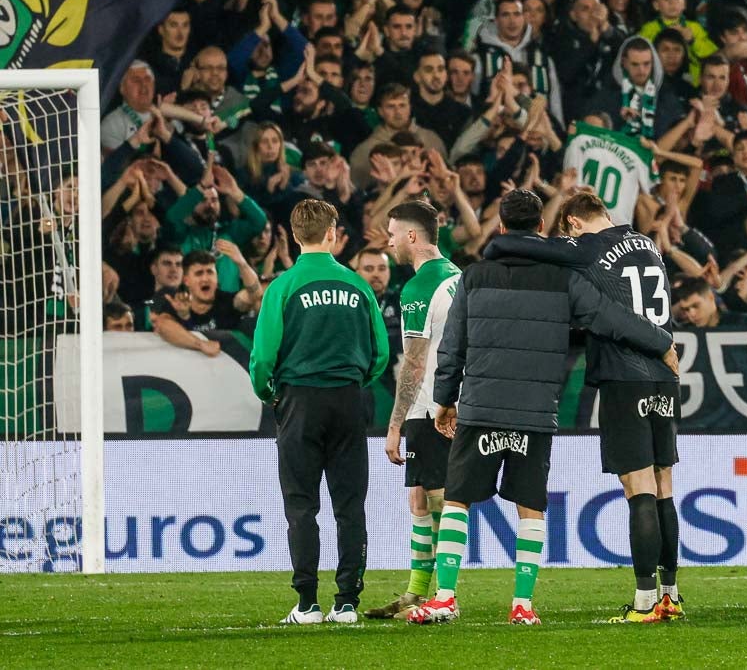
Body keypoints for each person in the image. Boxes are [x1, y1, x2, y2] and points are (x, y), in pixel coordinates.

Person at [413, 190, 677, 626]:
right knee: (530, 505)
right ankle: (523, 605)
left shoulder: (474, 277)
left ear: (500, 227)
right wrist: (662, 341)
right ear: (541, 228)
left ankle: (444, 597)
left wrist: (444, 400)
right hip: (536, 411)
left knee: (458, 499)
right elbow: (611, 317)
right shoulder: (563, 279)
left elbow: (452, 347)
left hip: (480, 405)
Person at [249, 199, 391, 625]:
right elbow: (381, 352)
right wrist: (356, 382)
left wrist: (269, 393)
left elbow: (261, 358)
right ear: (332, 233)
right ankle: (347, 601)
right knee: (350, 505)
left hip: (299, 400)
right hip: (348, 398)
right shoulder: (358, 285)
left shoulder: (283, 287)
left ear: (294, 237)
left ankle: (307, 603)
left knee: (301, 505)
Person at [364, 201, 462, 620]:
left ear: (411, 236)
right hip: (458, 400)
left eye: (392, 232)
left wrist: (394, 425)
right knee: (420, 497)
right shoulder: (459, 277)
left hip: (431, 405)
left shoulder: (419, 288)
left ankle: (443, 598)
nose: (388, 241)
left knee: (438, 499)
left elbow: (415, 364)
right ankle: (417, 593)